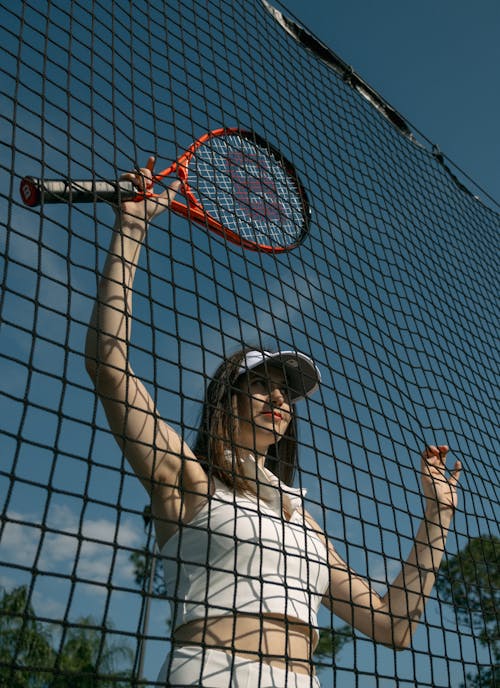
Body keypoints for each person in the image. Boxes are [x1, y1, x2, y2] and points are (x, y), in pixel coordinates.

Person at [84, 158, 462, 687]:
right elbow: (108, 365)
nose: (278, 396)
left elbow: (393, 626)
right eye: (260, 383)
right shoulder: (188, 478)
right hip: (211, 674)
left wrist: (436, 519)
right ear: (227, 399)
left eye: (286, 390)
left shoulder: (302, 523)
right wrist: (131, 230)